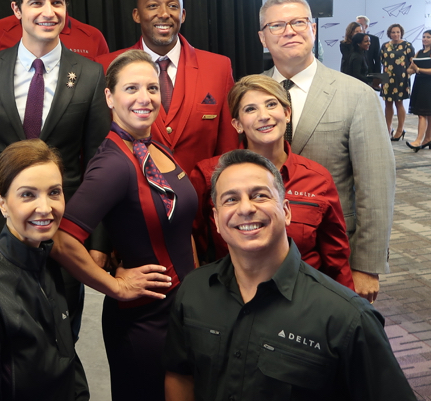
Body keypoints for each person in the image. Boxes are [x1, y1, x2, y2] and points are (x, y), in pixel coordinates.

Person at [163, 150, 417, 401]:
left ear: (286, 211)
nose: (246, 208)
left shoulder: (347, 318)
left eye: (259, 196)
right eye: (230, 199)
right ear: (217, 220)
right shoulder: (193, 292)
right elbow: (180, 375)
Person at [52, 50, 198, 401]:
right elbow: (61, 240)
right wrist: (114, 286)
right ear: (109, 97)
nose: (144, 98)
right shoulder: (113, 163)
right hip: (145, 321)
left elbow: (180, 223)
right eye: (131, 88)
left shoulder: (152, 146)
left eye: (152, 88)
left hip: (182, 310)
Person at [258, 0, 394, 304]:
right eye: (277, 25)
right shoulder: (247, 91)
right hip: (261, 253)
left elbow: (376, 186)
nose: (289, 31)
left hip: (333, 254)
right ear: (263, 37)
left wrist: (367, 265)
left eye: (298, 22)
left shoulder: (357, 95)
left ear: (313, 29)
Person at [0, 0, 110, 251]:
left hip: (63, 223)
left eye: (57, 2)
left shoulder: (90, 74)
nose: (49, 12)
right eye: (37, 2)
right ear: (17, 9)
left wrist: (98, 242)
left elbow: (98, 163)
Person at [0, 139, 85, 401]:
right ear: (2, 203)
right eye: (27, 194)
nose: (45, 208)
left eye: (54, 192)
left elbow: (66, 360)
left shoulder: (45, 259)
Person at [190, 75, 353, 288]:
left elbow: (336, 259)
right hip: (233, 299)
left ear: (286, 113)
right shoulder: (209, 175)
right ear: (237, 124)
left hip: (304, 300)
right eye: (250, 109)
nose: (264, 116)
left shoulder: (317, 178)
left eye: (271, 104)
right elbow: (192, 245)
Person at [96, 0, 238, 175]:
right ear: (137, 15)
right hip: (135, 198)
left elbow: (228, 148)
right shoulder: (105, 67)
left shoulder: (218, 68)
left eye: (172, 6)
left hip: (202, 199)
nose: (164, 14)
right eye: (153, 6)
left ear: (183, 14)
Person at [407, 29, 431, 151]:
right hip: (420, 83)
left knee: (424, 114)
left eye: (428, 37)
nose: (425, 39)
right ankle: (427, 139)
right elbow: (411, 70)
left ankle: (418, 141)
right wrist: (409, 68)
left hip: (430, 84)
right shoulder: (419, 52)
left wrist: (418, 70)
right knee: (426, 114)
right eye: (423, 37)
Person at [380, 23, 414, 142]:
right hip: (387, 77)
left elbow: (413, 62)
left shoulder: (407, 45)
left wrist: (410, 71)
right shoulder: (384, 46)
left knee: (399, 103)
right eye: (393, 32)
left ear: (401, 33)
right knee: (387, 104)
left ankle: (400, 129)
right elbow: (382, 61)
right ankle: (388, 128)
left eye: (398, 32)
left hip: (401, 77)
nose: (396, 34)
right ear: (389, 33)